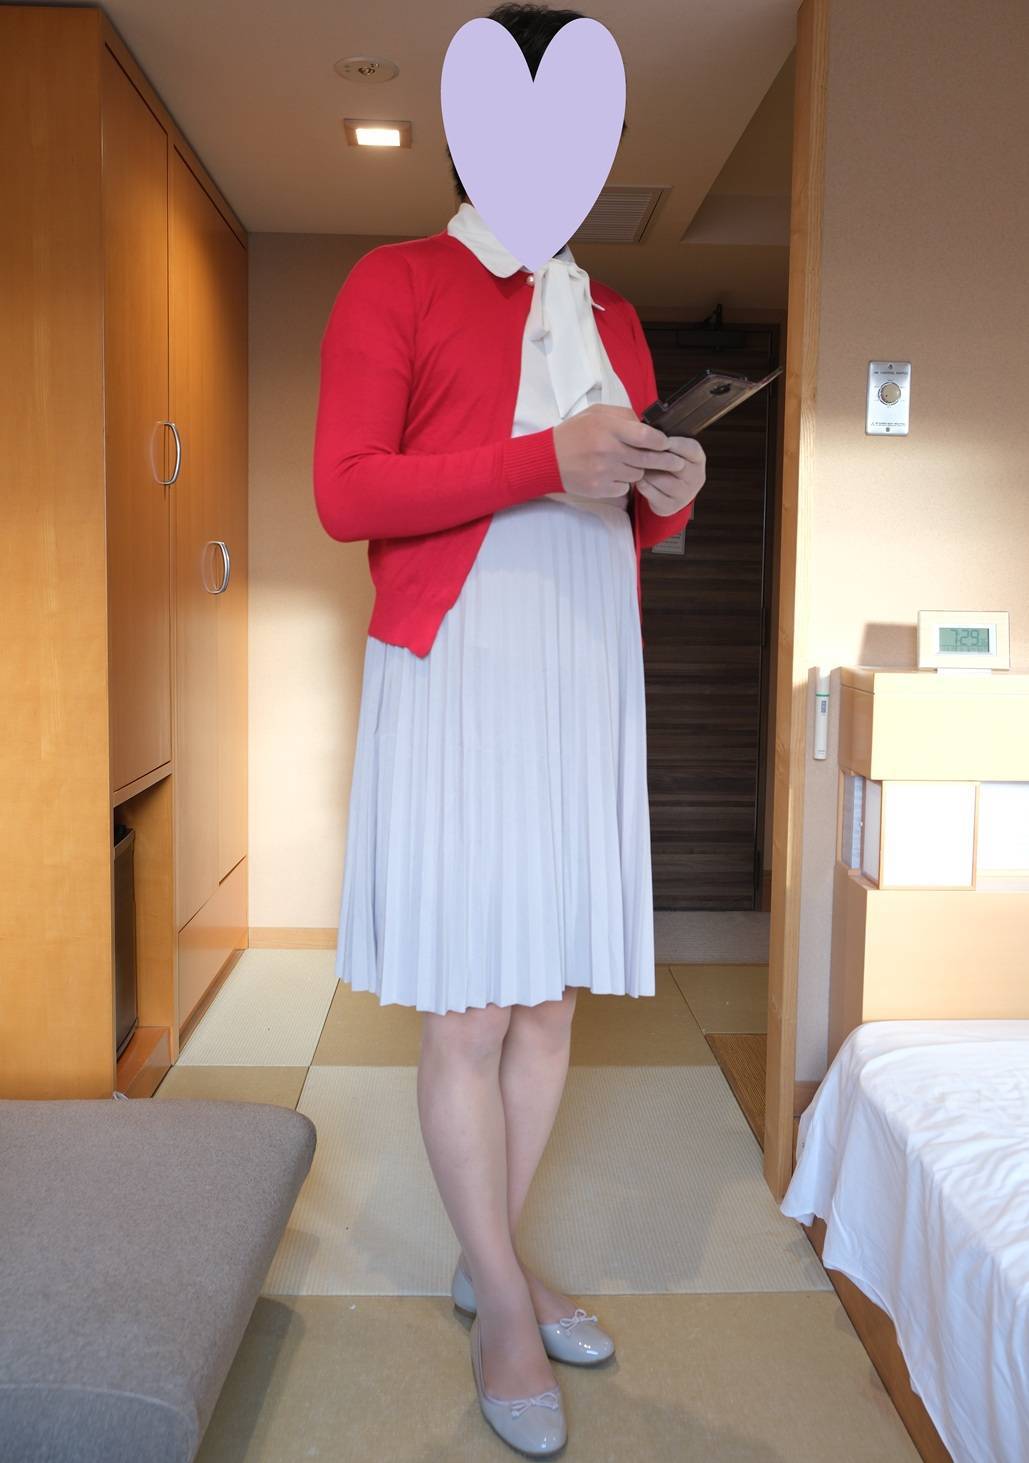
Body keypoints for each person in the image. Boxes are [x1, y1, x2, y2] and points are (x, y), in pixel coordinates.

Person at [312, 4, 705, 1452]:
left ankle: (493, 1266)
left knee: (548, 1003)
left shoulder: (614, 315)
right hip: (464, 666)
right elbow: (348, 491)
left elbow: (611, 510)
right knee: (473, 1007)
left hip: (581, 670)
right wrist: (546, 456)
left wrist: (665, 494)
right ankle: (502, 1303)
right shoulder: (398, 280)